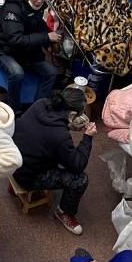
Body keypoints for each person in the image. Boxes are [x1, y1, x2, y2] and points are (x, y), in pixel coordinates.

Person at [11, 86, 96, 235]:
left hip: (13, 161)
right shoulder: (59, 136)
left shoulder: (41, 103)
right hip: (28, 176)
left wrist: (68, 125)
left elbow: (45, 132)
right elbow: (78, 165)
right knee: (80, 179)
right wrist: (87, 137)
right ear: (73, 114)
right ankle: (64, 212)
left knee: (57, 154)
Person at [0, 0, 59, 102]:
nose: (40, 0)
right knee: (17, 73)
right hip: (3, 50)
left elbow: (38, 23)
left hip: (25, 50)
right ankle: (15, 109)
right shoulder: (12, 10)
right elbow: (15, 40)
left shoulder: (36, 5)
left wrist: (48, 39)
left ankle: (39, 107)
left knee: (51, 72)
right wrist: (45, 37)